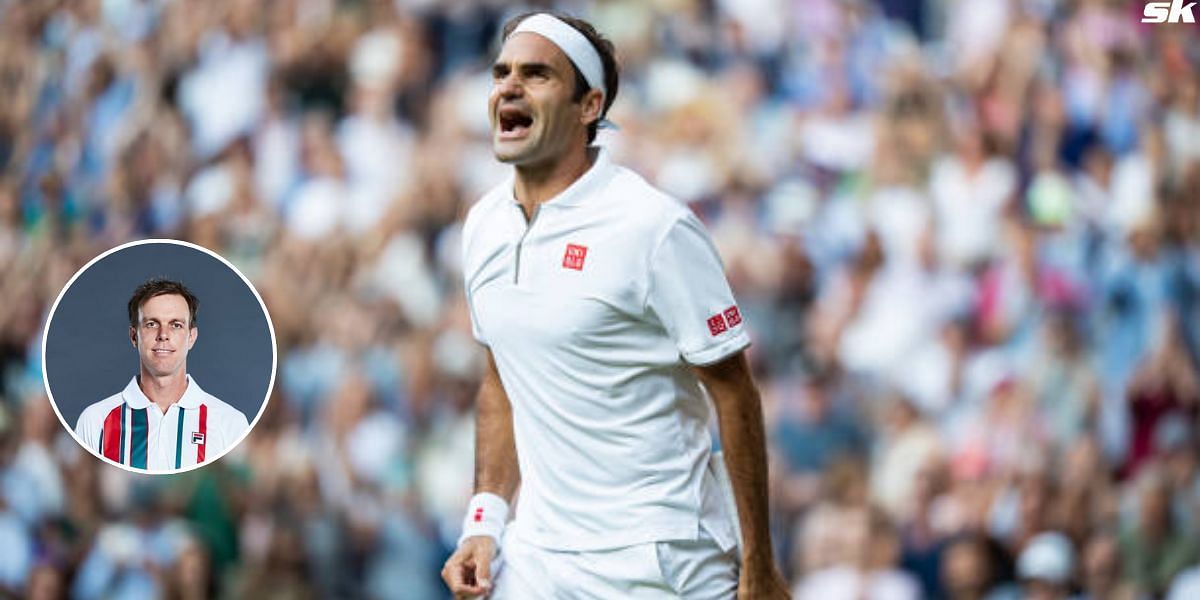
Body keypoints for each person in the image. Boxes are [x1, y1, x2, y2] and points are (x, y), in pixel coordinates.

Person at [442, 12, 790, 599]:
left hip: (661, 556)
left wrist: (758, 563)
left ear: (589, 106)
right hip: (539, 555)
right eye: (501, 72)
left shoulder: (654, 228)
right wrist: (485, 521)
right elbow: (501, 379)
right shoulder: (482, 225)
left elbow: (734, 394)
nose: (509, 86)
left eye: (536, 74)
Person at [74, 278, 249, 471]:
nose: (163, 334)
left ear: (191, 337)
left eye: (176, 325)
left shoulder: (230, 424)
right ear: (134, 336)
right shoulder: (95, 422)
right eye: (151, 324)